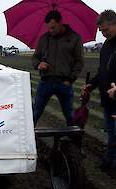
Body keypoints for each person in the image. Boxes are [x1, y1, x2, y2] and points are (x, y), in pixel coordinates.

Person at [32, 10, 84, 126]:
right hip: (45, 82)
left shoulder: (74, 38)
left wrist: (70, 80)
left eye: (53, 27)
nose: (51, 30)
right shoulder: (44, 39)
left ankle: (72, 140)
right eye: (48, 28)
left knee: (69, 115)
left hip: (64, 83)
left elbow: (79, 62)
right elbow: (35, 58)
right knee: (35, 112)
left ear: (60, 22)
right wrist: (38, 64)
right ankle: (28, 138)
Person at [81, 10, 116, 170]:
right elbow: (102, 71)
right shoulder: (106, 46)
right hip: (108, 99)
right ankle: (109, 161)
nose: (103, 34)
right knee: (110, 132)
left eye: (105, 30)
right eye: (101, 31)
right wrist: (91, 84)